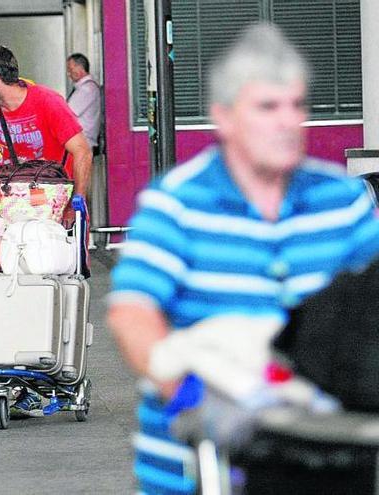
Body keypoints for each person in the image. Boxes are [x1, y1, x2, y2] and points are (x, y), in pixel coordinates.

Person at [107, 24, 379, 494]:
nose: (287, 121)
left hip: (329, 455)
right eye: (268, 107)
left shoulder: (343, 202)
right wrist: (192, 395)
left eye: (296, 105)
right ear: (225, 117)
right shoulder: (178, 204)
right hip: (198, 464)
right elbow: (134, 313)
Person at [0, 46, 93, 201]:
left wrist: (76, 201)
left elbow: (82, 151)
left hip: (52, 200)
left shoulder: (47, 101)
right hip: (8, 201)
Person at [65, 53, 102, 153]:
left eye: (70, 69)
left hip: (82, 143)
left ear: (80, 68)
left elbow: (67, 112)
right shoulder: (87, 87)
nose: (69, 74)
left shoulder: (86, 89)